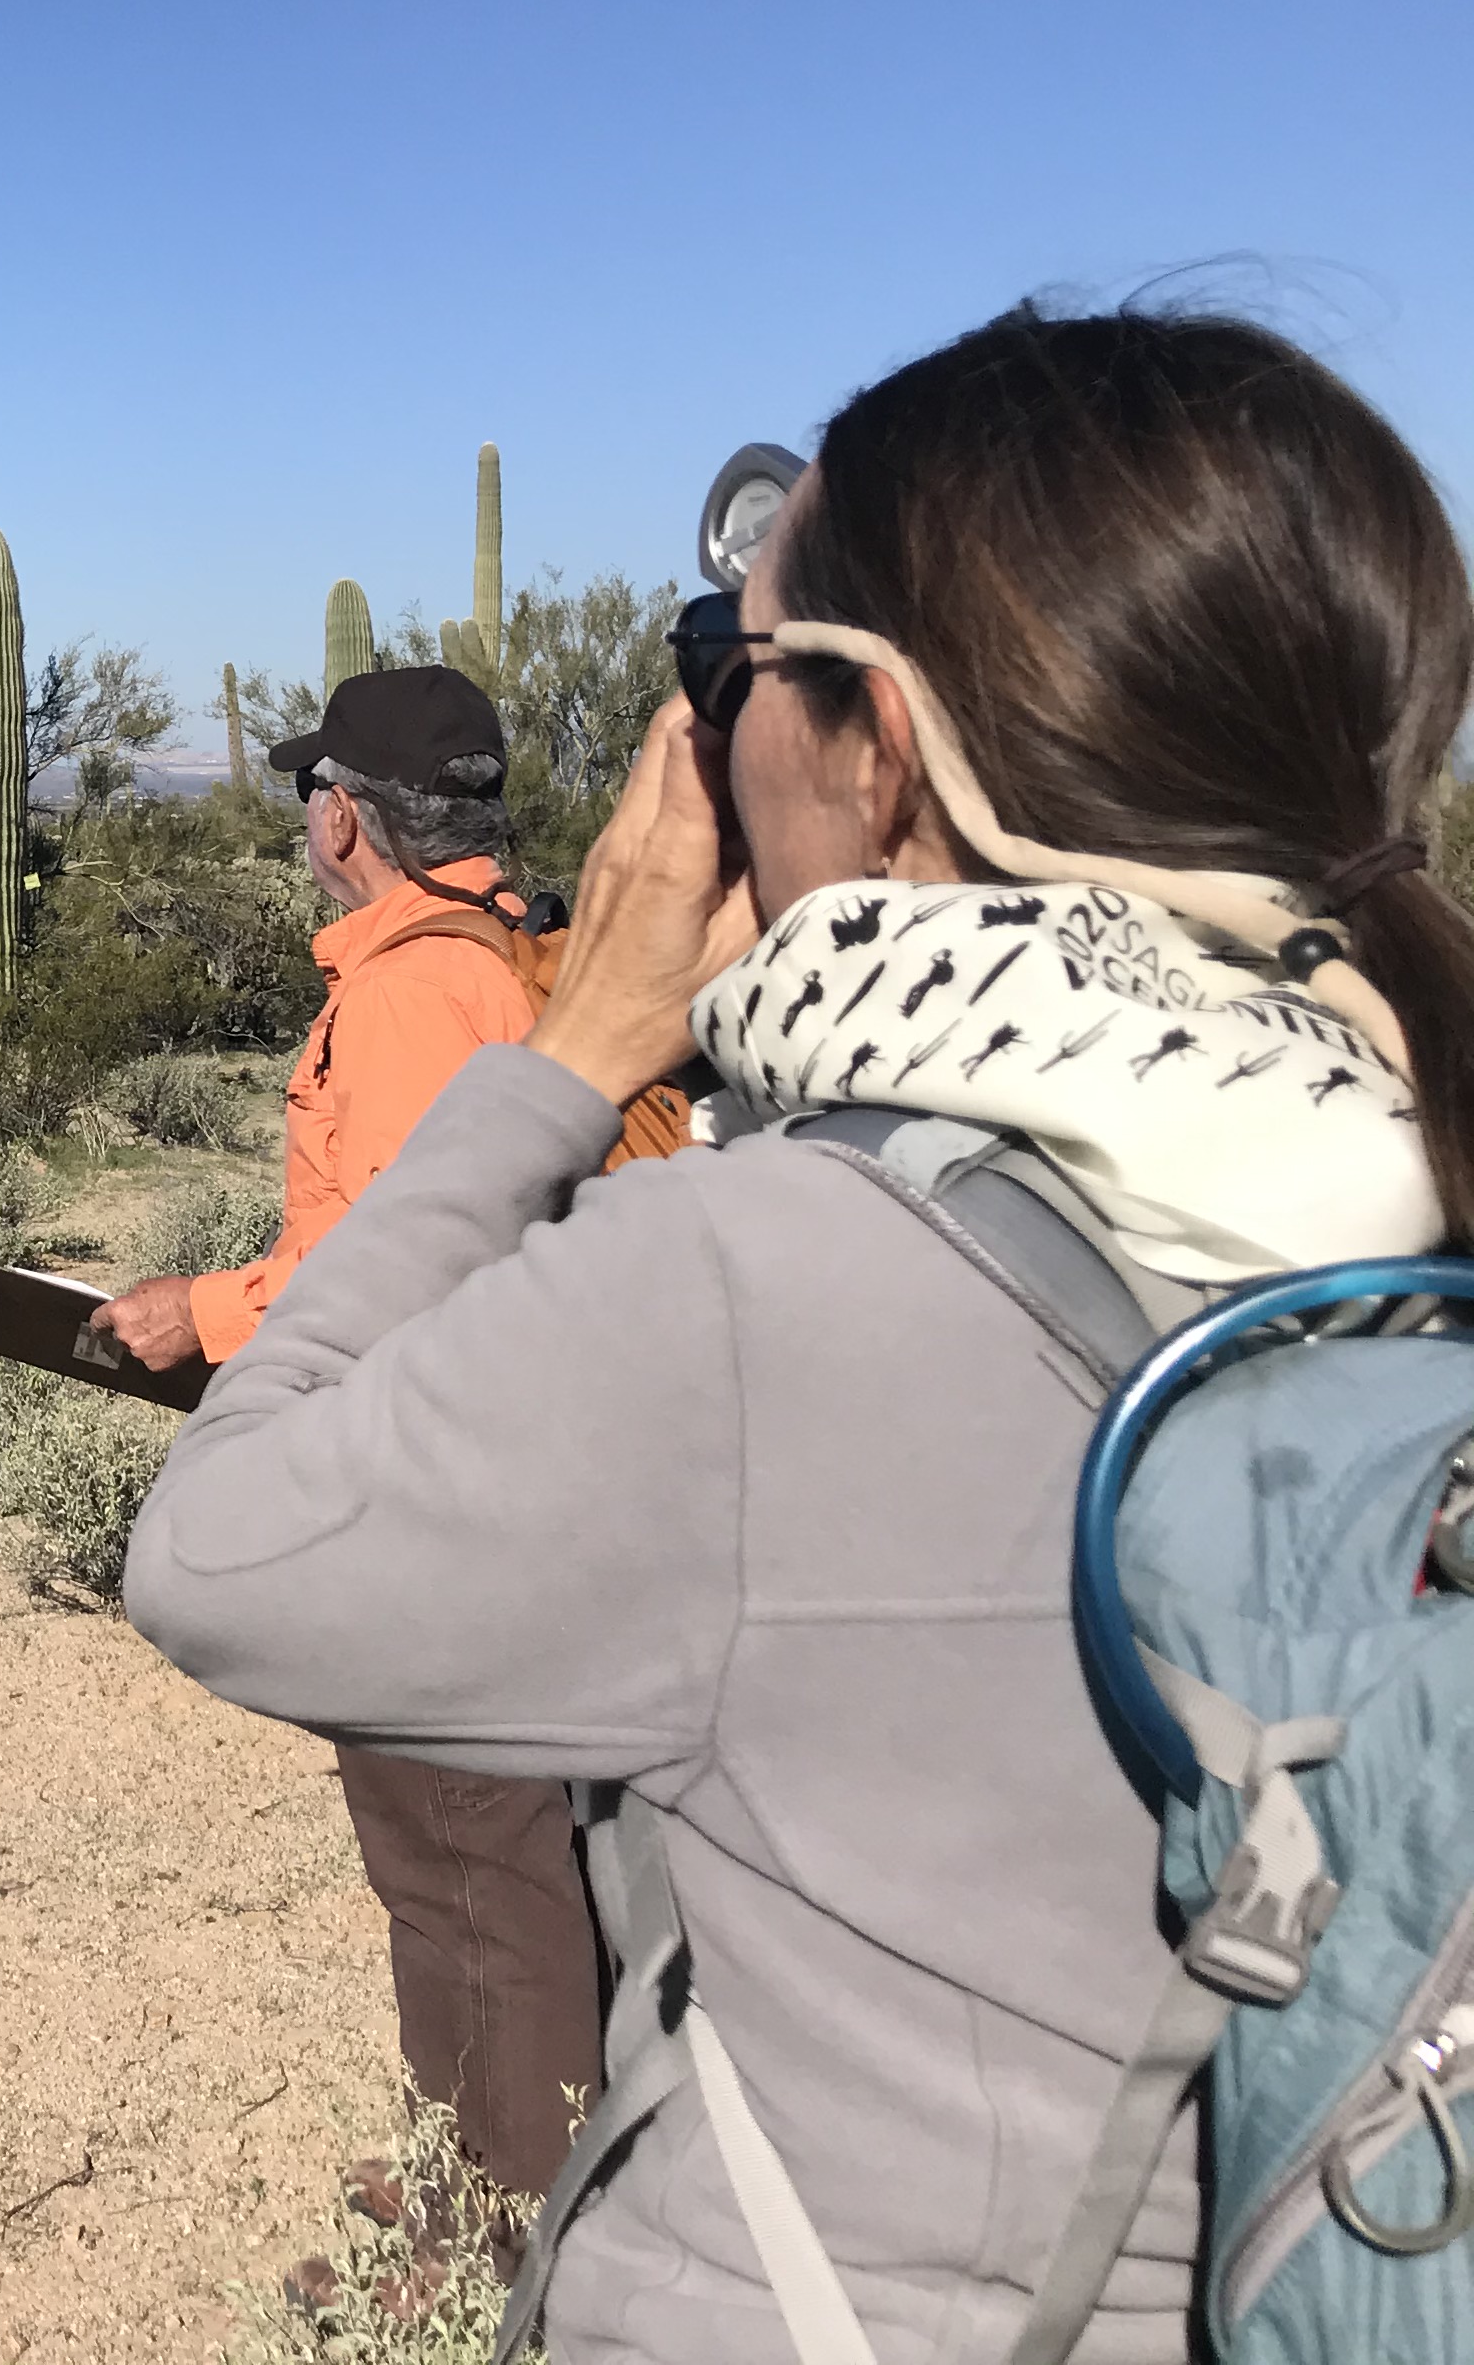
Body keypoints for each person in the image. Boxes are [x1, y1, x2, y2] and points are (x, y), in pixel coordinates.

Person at [121, 302, 1474, 2363]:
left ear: (879, 745)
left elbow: (225, 1559)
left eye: (728, 664)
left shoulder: (770, 1282)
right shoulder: (1407, 1167)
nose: (702, 729)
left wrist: (574, 1052)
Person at [86, 662, 609, 2215]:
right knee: (459, 1861)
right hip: (511, 1455)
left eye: (316, 793)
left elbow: (397, 1255)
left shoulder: (405, 992)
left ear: (344, 820)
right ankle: (465, 2180)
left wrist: (210, 1313)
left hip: (433, 1480)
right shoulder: (507, 952)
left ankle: (506, 2236)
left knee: (469, 1865)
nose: (309, 817)